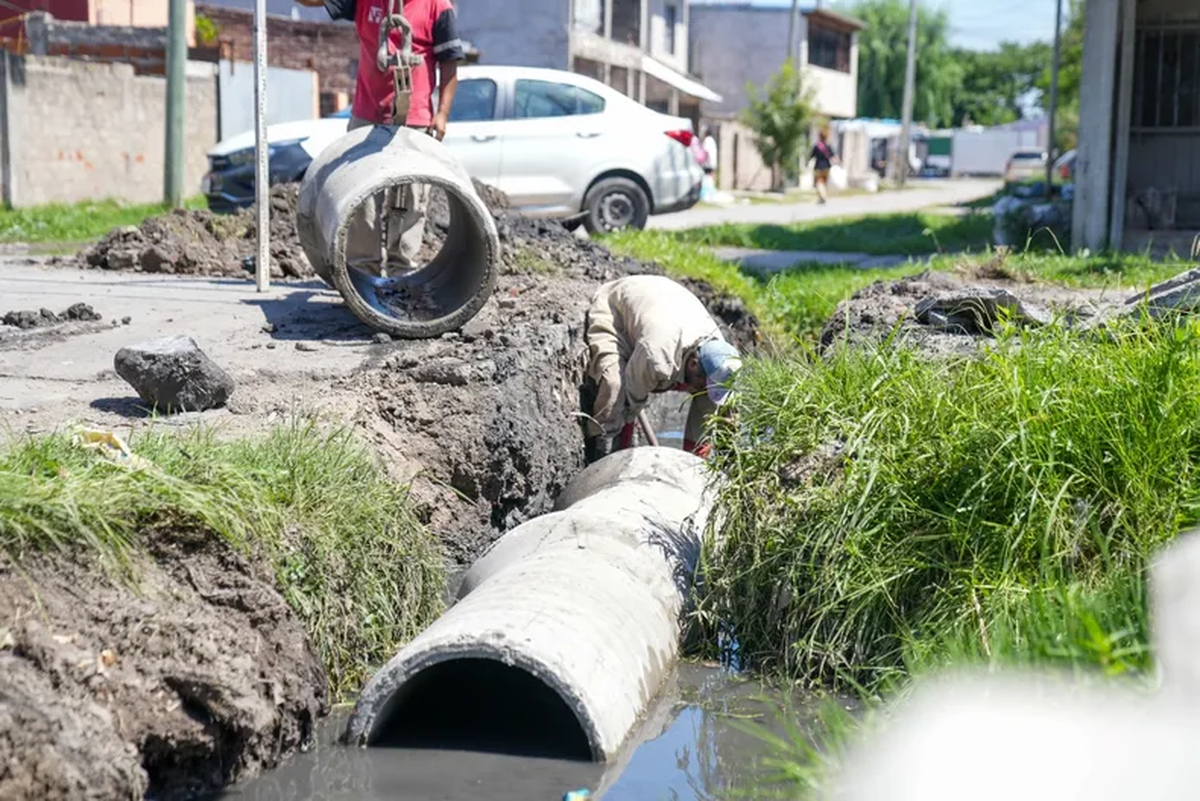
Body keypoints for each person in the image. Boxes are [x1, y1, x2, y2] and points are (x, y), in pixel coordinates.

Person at [296, 0, 464, 278]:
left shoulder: (437, 7)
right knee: (360, 198)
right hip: (367, 117)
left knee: (409, 199)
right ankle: (363, 275)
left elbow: (450, 63)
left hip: (415, 121)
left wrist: (442, 113)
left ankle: (402, 275)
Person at [581, 275, 742, 464]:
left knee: (710, 404)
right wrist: (622, 447)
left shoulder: (720, 354)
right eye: (704, 384)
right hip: (619, 312)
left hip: (662, 308)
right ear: (693, 365)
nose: (706, 390)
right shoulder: (658, 357)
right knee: (615, 388)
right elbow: (630, 402)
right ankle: (602, 457)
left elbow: (723, 411)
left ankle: (695, 466)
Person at [810, 127, 839, 204]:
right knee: (824, 183)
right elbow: (833, 156)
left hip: (818, 166)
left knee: (819, 183)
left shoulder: (817, 146)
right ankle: (823, 196)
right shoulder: (828, 146)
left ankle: (822, 196)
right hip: (827, 166)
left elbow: (812, 155)